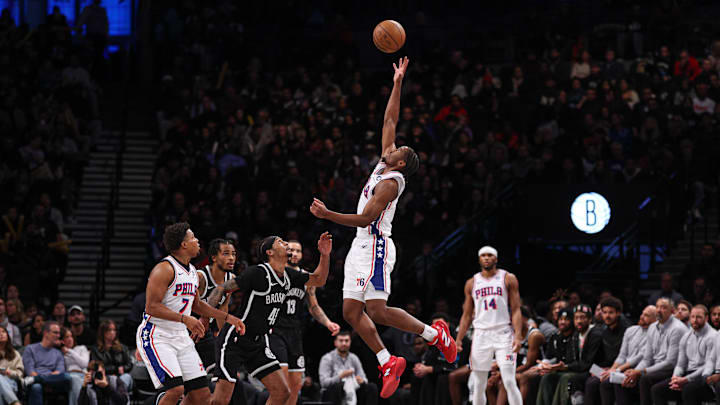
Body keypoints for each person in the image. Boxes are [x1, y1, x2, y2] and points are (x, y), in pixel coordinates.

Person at [309, 57, 455, 399]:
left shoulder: (392, 182)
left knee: (375, 310)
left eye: (398, 150)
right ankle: (388, 360)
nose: (393, 147)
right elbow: (390, 118)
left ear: (401, 163)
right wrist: (398, 82)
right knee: (348, 311)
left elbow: (364, 219)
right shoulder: (385, 160)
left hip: (375, 243)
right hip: (360, 245)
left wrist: (329, 214)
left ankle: (436, 336)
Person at [207, 232, 332, 405]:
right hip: (235, 340)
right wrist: (205, 319)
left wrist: (325, 255)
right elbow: (222, 288)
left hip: (259, 343)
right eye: (281, 242)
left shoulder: (289, 275)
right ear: (270, 252)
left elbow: (318, 279)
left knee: (282, 393)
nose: (286, 243)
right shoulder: (257, 273)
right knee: (220, 400)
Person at [136, 222, 245, 405]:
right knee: (175, 390)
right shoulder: (164, 269)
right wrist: (184, 318)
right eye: (193, 238)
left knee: (201, 396)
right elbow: (151, 307)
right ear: (184, 244)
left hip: (180, 336)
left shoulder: (192, 271)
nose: (197, 242)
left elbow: (196, 305)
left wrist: (227, 317)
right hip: (157, 335)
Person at [268, 238, 341, 405]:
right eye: (290, 250)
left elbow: (313, 307)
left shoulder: (306, 279)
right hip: (275, 331)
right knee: (282, 384)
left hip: (294, 333)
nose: (294, 253)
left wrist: (328, 323)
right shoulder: (273, 273)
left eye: (298, 250)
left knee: (295, 385)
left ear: (302, 255)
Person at [455, 246, 524, 405]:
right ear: (479, 259)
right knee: (479, 384)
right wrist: (459, 339)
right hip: (481, 334)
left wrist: (518, 336)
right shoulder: (471, 283)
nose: (486, 258)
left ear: (496, 258)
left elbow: (516, 309)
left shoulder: (508, 278)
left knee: (509, 380)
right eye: (483, 255)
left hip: (503, 332)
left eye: (490, 255)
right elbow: (466, 314)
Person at [616, 298, 687, 405]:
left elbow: (670, 362)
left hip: (673, 371)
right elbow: (647, 358)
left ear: (672, 311)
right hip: (656, 368)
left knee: (645, 378)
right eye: (657, 306)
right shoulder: (652, 327)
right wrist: (635, 372)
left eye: (663, 308)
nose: (659, 310)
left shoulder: (677, 329)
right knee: (622, 378)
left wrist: (640, 372)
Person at [651, 304, 714, 405]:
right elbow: (680, 364)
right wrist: (675, 378)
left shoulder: (713, 336)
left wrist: (685, 380)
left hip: (705, 377)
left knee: (688, 389)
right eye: (692, 317)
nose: (694, 320)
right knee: (657, 390)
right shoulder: (686, 336)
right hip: (687, 374)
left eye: (698, 317)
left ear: (706, 318)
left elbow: (708, 366)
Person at [598, 305, 656, 405]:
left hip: (640, 370)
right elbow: (622, 355)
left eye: (646, 315)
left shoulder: (654, 333)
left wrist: (616, 370)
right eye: (642, 313)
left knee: (619, 381)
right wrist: (612, 369)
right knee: (603, 382)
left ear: (655, 319)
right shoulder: (631, 330)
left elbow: (640, 357)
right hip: (625, 368)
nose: (641, 316)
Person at [195, 238, 237, 371]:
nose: (231, 258)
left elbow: (223, 307)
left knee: (218, 369)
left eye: (233, 254)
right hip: (186, 329)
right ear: (214, 257)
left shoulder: (231, 279)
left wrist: (223, 336)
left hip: (205, 333)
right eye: (226, 254)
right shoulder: (199, 277)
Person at [582, 297, 630, 405]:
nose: (607, 316)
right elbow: (595, 360)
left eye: (611, 312)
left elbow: (628, 358)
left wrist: (612, 369)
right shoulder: (600, 331)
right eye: (604, 312)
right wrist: (597, 370)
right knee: (591, 382)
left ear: (618, 313)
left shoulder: (627, 330)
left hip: (622, 369)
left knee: (605, 383)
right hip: (605, 369)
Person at [319, 331, 378, 405]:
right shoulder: (327, 358)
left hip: (353, 387)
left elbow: (364, 379)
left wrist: (361, 381)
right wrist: (340, 376)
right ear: (335, 343)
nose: (344, 343)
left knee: (371, 387)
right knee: (337, 387)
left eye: (346, 341)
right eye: (341, 341)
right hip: (334, 391)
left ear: (350, 342)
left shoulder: (354, 358)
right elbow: (324, 383)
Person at [535, 307, 580, 405]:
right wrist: (544, 365)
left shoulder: (576, 337)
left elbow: (579, 361)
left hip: (574, 370)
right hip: (559, 369)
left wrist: (563, 367)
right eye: (561, 319)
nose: (562, 322)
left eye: (566, 319)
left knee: (565, 378)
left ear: (572, 321)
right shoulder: (555, 337)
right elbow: (549, 356)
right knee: (546, 377)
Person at [22, 321, 73, 405]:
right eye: (55, 333)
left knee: (67, 377)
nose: (58, 336)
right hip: (36, 383)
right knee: (36, 387)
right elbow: (30, 371)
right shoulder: (30, 349)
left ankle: (37, 380)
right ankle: (37, 381)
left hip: (51, 383)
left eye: (59, 333)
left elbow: (59, 372)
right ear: (46, 333)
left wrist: (42, 380)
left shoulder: (58, 353)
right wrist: (40, 380)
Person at [90, 320, 133, 391]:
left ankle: (119, 398)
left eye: (114, 330)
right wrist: (116, 369)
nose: (112, 333)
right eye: (109, 330)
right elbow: (96, 367)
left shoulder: (123, 348)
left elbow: (129, 364)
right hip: (104, 377)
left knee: (126, 377)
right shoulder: (96, 350)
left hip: (121, 376)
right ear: (103, 332)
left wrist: (124, 368)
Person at [61, 326, 90, 405]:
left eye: (71, 336)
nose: (70, 339)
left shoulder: (81, 348)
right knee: (74, 379)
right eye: (67, 337)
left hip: (83, 375)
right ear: (62, 340)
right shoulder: (61, 353)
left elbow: (84, 364)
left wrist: (70, 351)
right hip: (70, 376)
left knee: (77, 380)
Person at [0, 325, 22, 405]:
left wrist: (9, 372)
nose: (1, 334)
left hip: (11, 382)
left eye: (3, 331)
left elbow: (20, 374)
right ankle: (15, 403)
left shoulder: (15, 353)